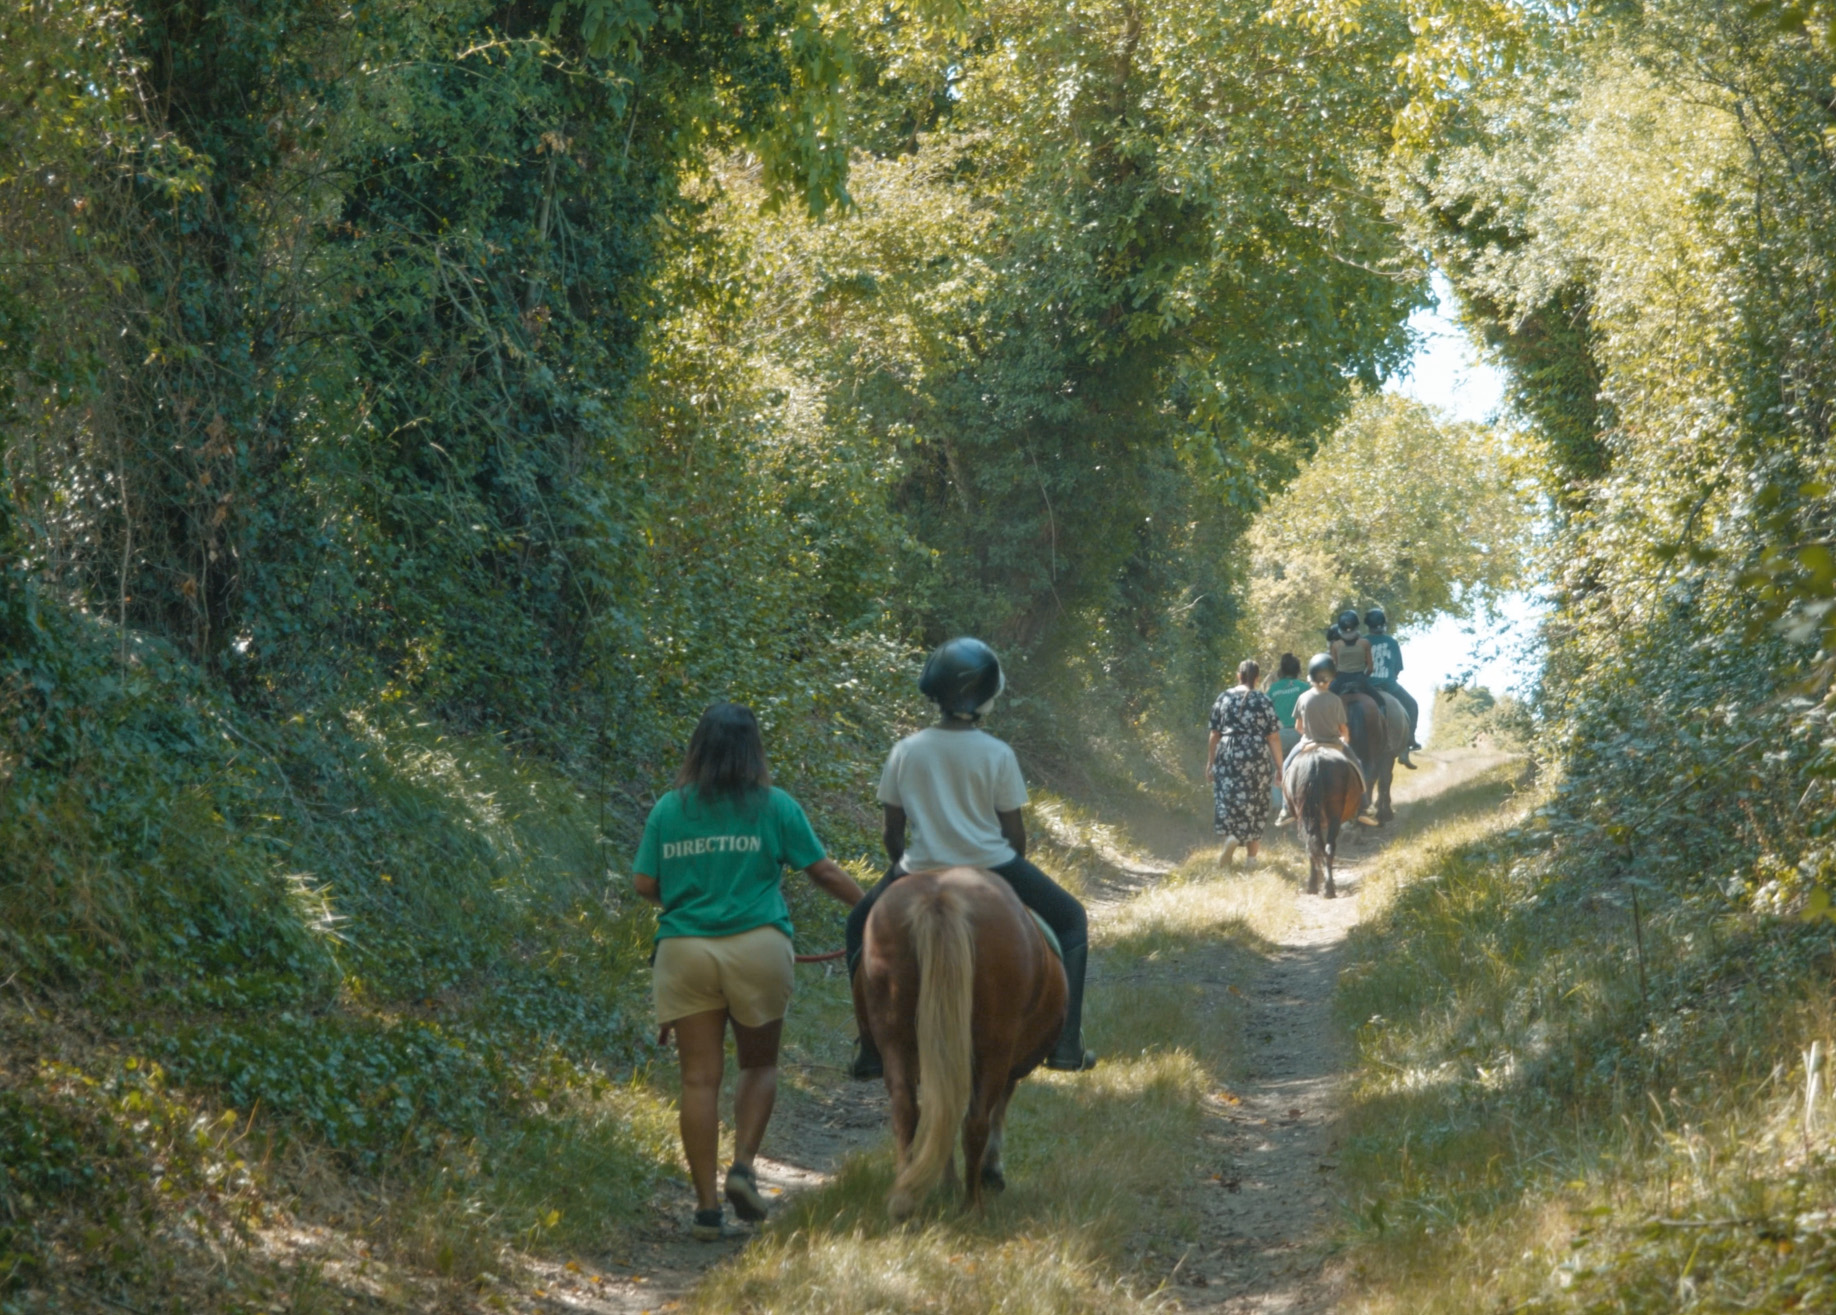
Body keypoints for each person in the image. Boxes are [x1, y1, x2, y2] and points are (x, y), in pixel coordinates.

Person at [633, 702, 865, 1241]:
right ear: (752, 750)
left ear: (699, 747)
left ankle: (707, 1211)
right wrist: (872, 908)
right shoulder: (775, 806)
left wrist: (693, 897)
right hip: (758, 948)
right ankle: (742, 1167)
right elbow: (823, 872)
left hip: (685, 951)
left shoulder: (670, 809)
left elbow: (644, 884)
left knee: (698, 1079)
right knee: (758, 1066)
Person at [845, 637, 1096, 1079]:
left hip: (918, 866)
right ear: (986, 696)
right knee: (1072, 919)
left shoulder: (905, 750)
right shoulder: (998, 753)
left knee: (856, 927)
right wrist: (1007, 874)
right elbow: (1014, 833)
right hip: (992, 865)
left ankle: (870, 1046)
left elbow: (892, 830)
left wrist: (905, 867)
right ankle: (1066, 1044)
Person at [1206, 659, 1287, 866]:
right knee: (1257, 802)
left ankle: (1230, 838)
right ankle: (1251, 859)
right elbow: (1273, 737)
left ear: (1238, 676)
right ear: (1257, 678)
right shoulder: (1263, 699)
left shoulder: (1223, 698)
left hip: (1228, 751)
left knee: (1226, 797)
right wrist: (1280, 767)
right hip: (1256, 754)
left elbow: (1214, 734)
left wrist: (1210, 762)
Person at [1289, 654, 1364, 789]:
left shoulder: (1302, 698)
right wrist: (1344, 740)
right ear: (1331, 679)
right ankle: (1365, 803)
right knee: (1357, 765)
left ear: (1311, 677)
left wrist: (1309, 734)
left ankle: (1285, 807)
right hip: (1334, 744)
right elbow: (1344, 730)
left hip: (1308, 744)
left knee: (1287, 766)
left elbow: (1298, 727)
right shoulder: (1335, 700)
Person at [1363, 608, 1421, 768]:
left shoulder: (1362, 642)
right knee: (1412, 705)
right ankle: (1408, 744)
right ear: (1383, 623)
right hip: (1389, 686)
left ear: (1367, 625)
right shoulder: (1392, 642)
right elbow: (1397, 669)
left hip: (1366, 688)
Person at [1264, 653, 1307, 820]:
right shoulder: (1305, 688)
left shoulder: (1273, 689)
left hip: (1278, 736)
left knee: (1276, 769)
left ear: (1281, 670)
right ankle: (1300, 805)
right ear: (1298, 670)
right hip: (1300, 735)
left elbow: (1264, 712)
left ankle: (1277, 804)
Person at [1328, 609, 1375, 702]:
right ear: (1357, 626)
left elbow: (1333, 669)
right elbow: (1370, 668)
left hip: (1341, 679)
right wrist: (1364, 678)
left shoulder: (1336, 645)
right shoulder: (1365, 643)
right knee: (1380, 701)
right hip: (1360, 678)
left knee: (1325, 700)